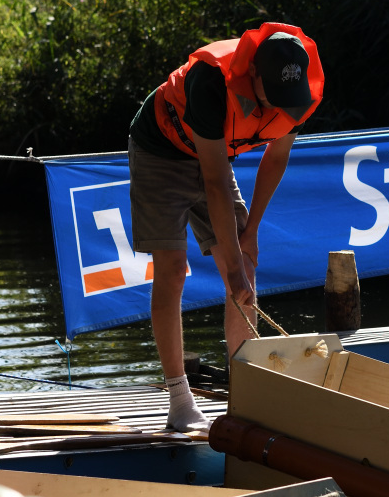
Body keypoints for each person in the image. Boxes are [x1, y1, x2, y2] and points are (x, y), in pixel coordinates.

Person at [129, 23, 324, 432]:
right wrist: (230, 265)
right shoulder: (211, 82)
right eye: (274, 95)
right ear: (253, 75)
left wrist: (249, 235)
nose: (282, 106)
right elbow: (214, 183)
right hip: (161, 149)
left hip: (213, 157)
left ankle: (245, 397)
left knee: (246, 272)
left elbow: (275, 159)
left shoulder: (296, 93)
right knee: (172, 267)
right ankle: (180, 401)